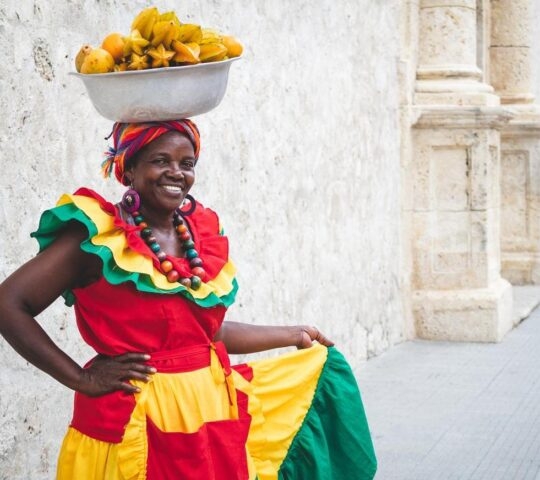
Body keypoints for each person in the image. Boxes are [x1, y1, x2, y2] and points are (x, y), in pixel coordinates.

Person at [0, 120, 377, 479]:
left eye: (187, 163)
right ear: (128, 169)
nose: (176, 173)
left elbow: (202, 335)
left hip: (207, 414)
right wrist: (80, 378)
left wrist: (293, 334)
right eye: (160, 161)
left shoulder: (199, 236)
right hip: (132, 419)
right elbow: (9, 303)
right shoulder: (98, 238)